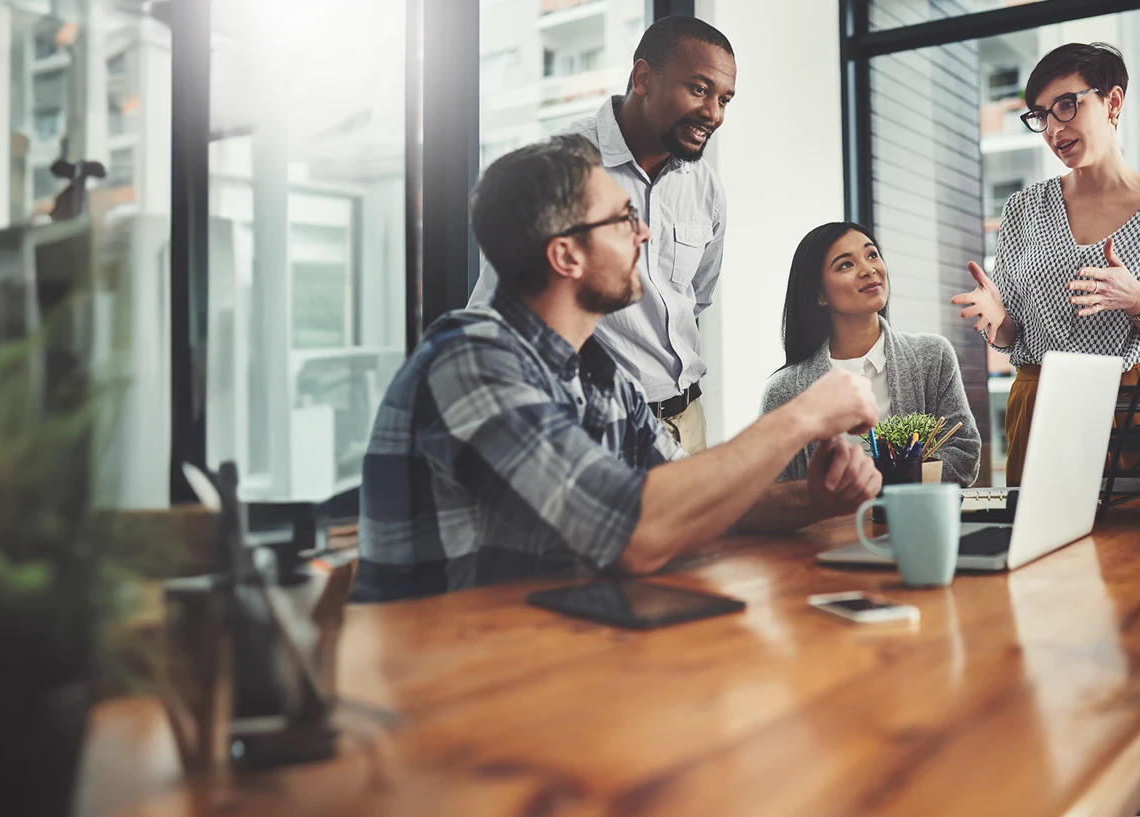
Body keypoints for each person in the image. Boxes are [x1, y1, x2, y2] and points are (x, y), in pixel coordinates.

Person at [354, 136, 881, 603]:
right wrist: (802, 417)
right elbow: (634, 531)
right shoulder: (472, 360)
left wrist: (811, 499)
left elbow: (690, 497)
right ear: (566, 256)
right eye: (625, 219)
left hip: (552, 659)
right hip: (446, 687)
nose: (645, 233)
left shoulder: (598, 372)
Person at [469, 15, 733, 455]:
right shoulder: (563, 167)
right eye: (700, 89)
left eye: (725, 98)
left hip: (688, 420)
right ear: (643, 77)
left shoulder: (705, 187)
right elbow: (502, 310)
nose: (714, 113)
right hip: (592, 424)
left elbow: (695, 297)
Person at [952, 42, 1140, 486]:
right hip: (1041, 405)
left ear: (1112, 101)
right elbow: (1014, 333)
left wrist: (1136, 300)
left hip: (1127, 412)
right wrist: (997, 320)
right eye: (1042, 115)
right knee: (1037, 548)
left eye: (1067, 106)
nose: (1054, 129)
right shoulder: (1024, 209)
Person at [761, 222, 981, 485]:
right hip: (829, 527)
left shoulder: (932, 356)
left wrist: (890, 485)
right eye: (846, 264)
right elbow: (773, 490)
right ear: (820, 295)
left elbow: (964, 453)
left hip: (914, 522)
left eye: (872, 255)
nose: (868, 270)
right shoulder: (784, 390)